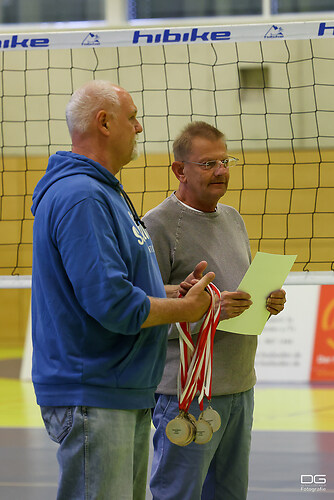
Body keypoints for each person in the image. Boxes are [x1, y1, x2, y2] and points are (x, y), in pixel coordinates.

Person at [31, 83, 215, 500]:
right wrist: (184, 308)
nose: (140, 126)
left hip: (118, 389)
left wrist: (171, 292)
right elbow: (111, 303)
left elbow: (117, 285)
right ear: (104, 122)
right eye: (132, 117)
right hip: (93, 391)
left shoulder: (104, 192)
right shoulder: (82, 196)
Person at [143, 121, 286, 500]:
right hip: (186, 394)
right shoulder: (156, 226)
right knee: (180, 494)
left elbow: (236, 295)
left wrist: (267, 302)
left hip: (240, 386)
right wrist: (208, 312)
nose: (222, 171)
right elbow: (141, 315)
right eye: (208, 163)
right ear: (180, 170)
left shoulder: (233, 218)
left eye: (225, 161)